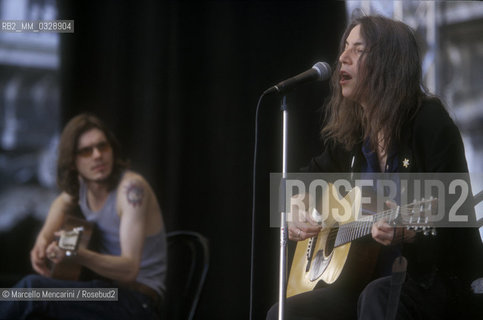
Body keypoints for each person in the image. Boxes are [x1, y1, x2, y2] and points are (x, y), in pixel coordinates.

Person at [267, 15, 482, 319]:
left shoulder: (430, 123)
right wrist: (295, 202)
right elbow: (302, 178)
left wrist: (408, 233)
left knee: (378, 296)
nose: (342, 57)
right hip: (367, 282)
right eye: (344, 48)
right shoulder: (355, 136)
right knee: (285, 312)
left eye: (358, 50)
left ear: (388, 62)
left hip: (435, 281)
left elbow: (453, 220)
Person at [0, 113, 167, 320]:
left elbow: (130, 269)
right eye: (86, 151)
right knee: (11, 294)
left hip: (138, 303)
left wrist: (78, 255)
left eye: (102, 146)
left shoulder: (132, 189)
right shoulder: (83, 187)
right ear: (72, 162)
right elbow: (60, 203)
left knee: (31, 291)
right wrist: (43, 239)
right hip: (106, 295)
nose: (97, 155)